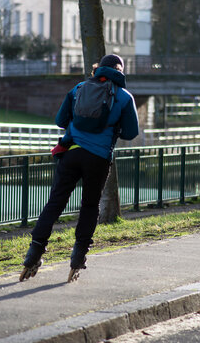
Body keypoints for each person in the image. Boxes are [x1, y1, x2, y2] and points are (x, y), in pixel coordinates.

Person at [20, 54, 139, 283]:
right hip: (99, 158)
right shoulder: (124, 97)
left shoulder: (79, 88)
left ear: (98, 68)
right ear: (120, 71)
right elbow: (130, 133)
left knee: (55, 202)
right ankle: (78, 257)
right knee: (89, 206)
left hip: (72, 153)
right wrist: (111, 128)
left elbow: (60, 119)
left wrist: (80, 125)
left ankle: (34, 252)